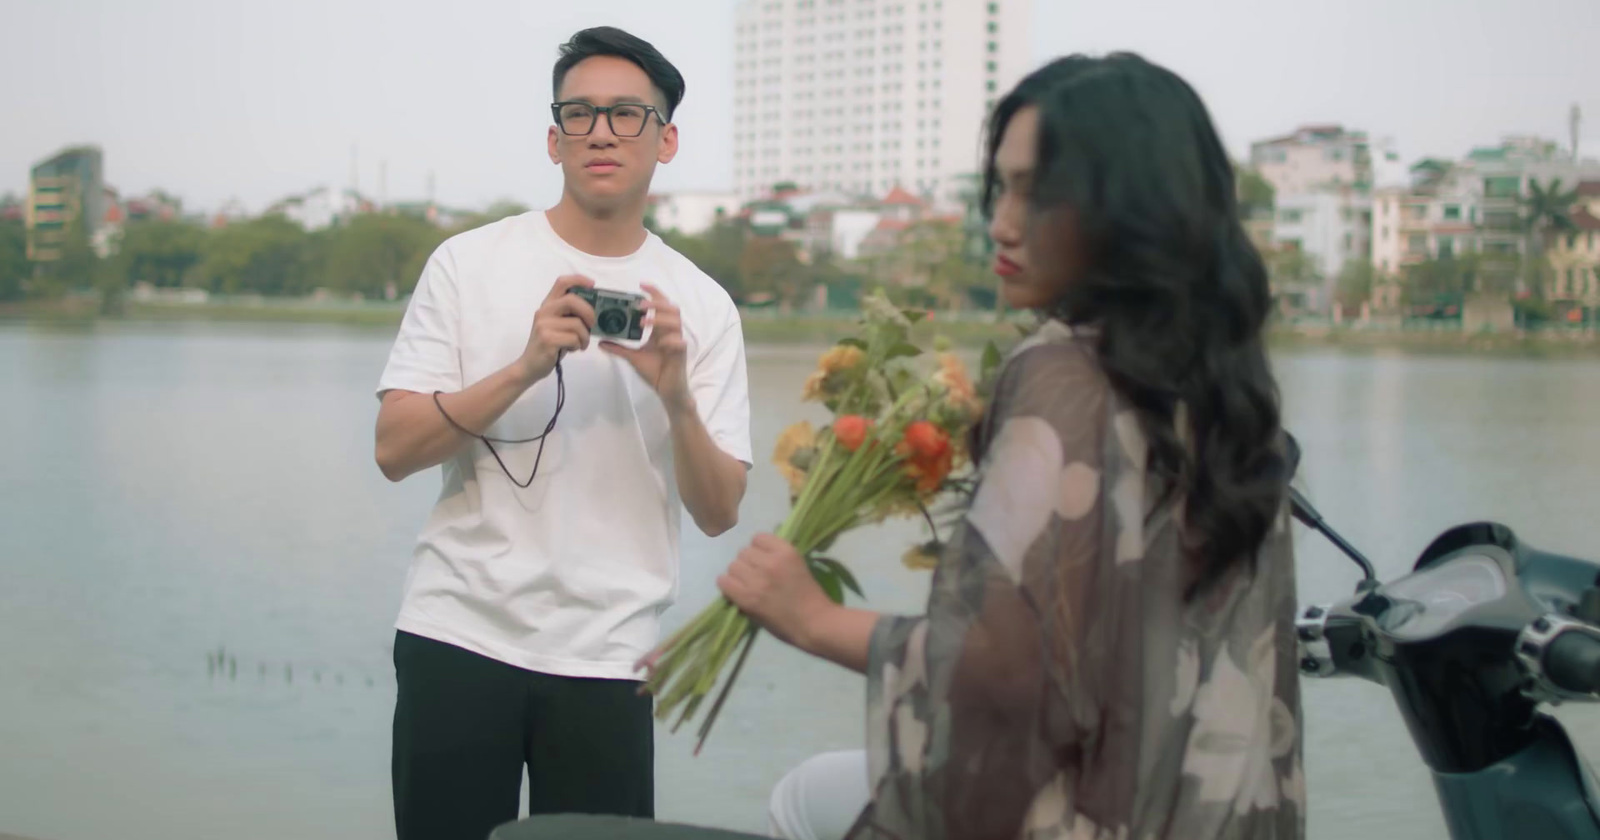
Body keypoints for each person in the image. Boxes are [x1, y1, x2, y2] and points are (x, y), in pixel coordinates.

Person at [720, 54, 1303, 840]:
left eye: (1041, 192)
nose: (1002, 221)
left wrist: (810, 617)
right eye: (1004, 186)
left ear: (1130, 209)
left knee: (803, 799)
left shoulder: (1062, 372)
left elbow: (999, 672)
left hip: (1088, 815)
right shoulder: (1226, 390)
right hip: (1200, 813)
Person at [373, 26, 752, 840]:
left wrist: (678, 399)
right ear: (554, 138)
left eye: (626, 114)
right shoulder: (468, 264)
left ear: (667, 138)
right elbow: (393, 451)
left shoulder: (703, 305)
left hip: (610, 657)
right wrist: (522, 366)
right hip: (458, 633)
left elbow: (721, 512)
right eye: (580, 114)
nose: (603, 131)